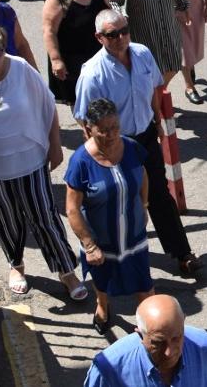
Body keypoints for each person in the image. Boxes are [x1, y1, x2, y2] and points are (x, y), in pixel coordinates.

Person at [0, 23, 86, 301]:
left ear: (3, 49)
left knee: (44, 216)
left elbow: (48, 107)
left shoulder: (21, 69)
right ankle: (16, 265)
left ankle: (66, 271)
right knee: (6, 219)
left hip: (29, 161)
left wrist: (55, 146)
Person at [74, 9, 202, 275]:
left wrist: (157, 119)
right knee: (121, 201)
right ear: (100, 37)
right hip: (114, 144)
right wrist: (101, 153)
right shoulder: (93, 74)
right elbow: (85, 119)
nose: (121, 38)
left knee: (159, 194)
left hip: (144, 136)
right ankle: (119, 259)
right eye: (112, 34)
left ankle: (182, 252)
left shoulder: (142, 53)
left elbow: (155, 89)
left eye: (124, 31)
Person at [65, 98, 153, 334]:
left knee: (143, 281)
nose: (111, 134)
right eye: (103, 130)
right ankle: (102, 307)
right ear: (88, 129)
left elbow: (142, 175)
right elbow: (72, 209)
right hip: (100, 240)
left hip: (134, 235)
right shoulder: (80, 162)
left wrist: (144, 204)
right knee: (103, 280)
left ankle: (148, 327)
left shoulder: (132, 147)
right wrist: (89, 245)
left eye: (115, 127)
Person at [83, 294, 207, 385]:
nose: (169, 352)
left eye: (176, 338)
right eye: (158, 343)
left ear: (183, 323)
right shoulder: (108, 367)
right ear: (140, 334)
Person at [42, 0, 109, 105]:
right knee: (81, 103)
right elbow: (48, 31)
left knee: (104, 98)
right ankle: (88, 130)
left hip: (98, 53)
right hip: (73, 60)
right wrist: (56, 59)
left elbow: (108, 8)